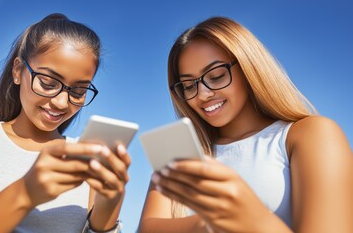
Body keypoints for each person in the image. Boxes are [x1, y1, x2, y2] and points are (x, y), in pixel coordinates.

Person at [138, 16, 353, 233]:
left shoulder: (310, 135)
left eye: (216, 75)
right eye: (189, 85)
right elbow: (147, 228)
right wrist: (213, 222)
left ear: (249, 67)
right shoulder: (179, 152)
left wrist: (251, 221)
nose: (202, 94)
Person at [0, 13, 128, 233]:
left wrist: (107, 214)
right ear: (18, 70)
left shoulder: (87, 156)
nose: (61, 103)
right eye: (48, 83)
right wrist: (24, 194)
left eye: (78, 91)